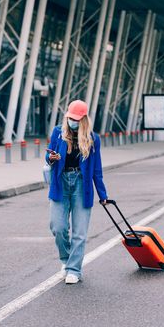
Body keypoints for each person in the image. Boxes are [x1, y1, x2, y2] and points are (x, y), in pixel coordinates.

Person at [46, 99, 108, 284]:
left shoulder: (92, 138)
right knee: (58, 227)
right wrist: (52, 157)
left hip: (82, 184)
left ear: (83, 119)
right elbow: (48, 156)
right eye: (70, 117)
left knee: (79, 232)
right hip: (60, 182)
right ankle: (66, 259)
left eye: (76, 119)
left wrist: (103, 195)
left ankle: (74, 269)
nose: (72, 121)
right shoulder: (58, 132)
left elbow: (97, 169)